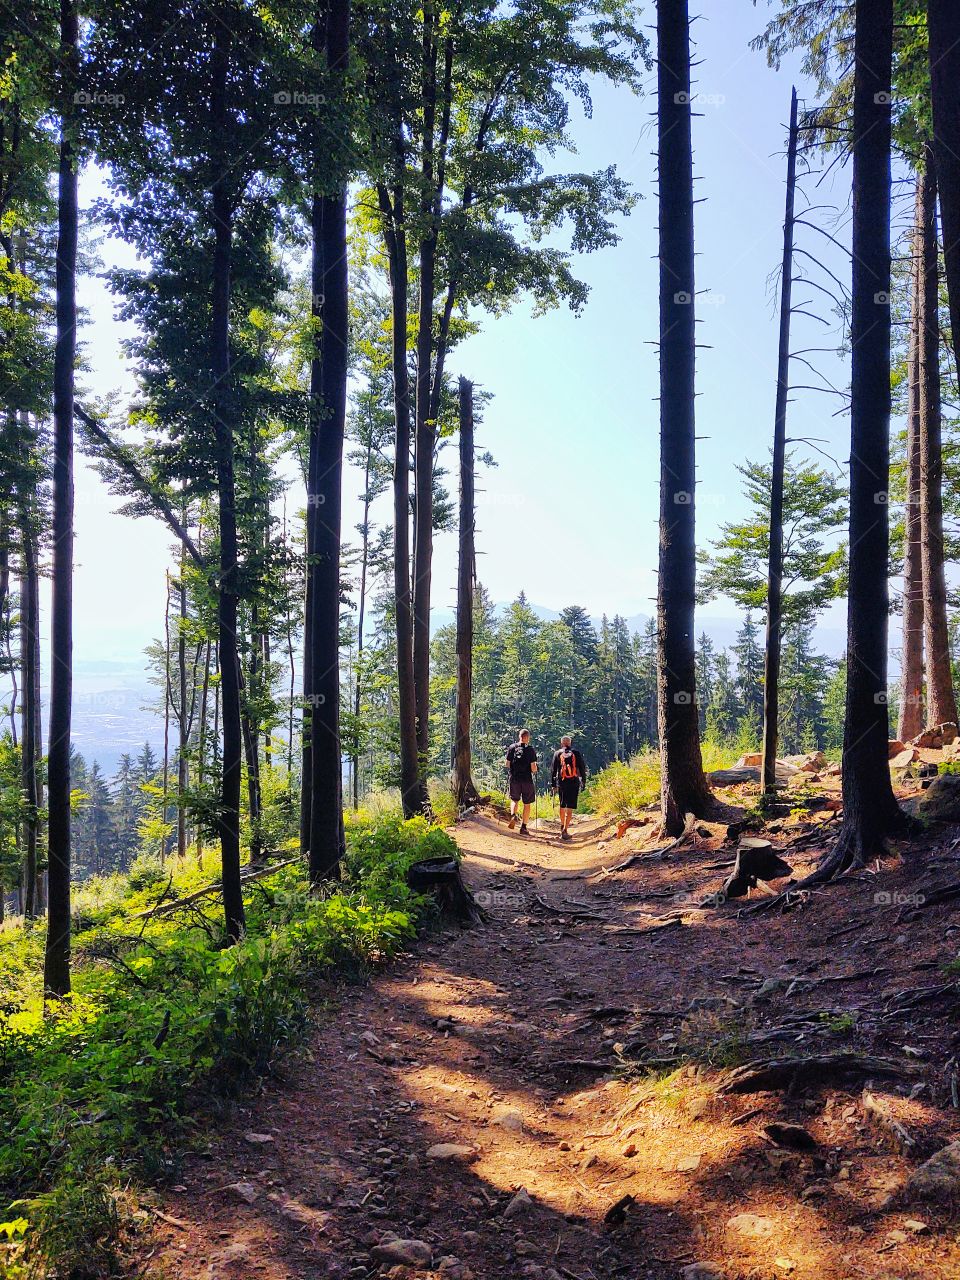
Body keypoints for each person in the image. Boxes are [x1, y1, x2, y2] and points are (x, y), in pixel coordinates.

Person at [551, 734, 587, 841]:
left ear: (562, 743)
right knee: (570, 807)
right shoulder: (576, 753)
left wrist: (553, 784)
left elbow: (553, 770)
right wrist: (583, 782)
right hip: (573, 782)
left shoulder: (557, 753)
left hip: (562, 782)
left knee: (562, 804)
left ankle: (562, 825)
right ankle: (565, 829)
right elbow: (582, 767)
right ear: (570, 743)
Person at [505, 729, 538, 834]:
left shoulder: (512, 747)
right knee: (527, 803)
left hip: (514, 778)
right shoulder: (531, 750)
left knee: (514, 800)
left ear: (519, 736)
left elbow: (507, 764)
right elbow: (533, 768)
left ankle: (513, 816)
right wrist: (535, 770)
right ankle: (523, 827)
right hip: (527, 780)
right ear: (528, 737)